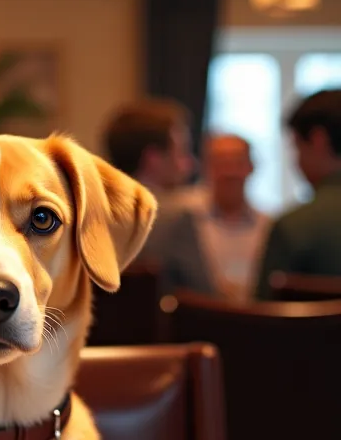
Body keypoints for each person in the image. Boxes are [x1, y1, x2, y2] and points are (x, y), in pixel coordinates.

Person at [162, 134, 271, 301]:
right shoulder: (183, 224)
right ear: (206, 168)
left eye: (237, 162)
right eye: (221, 163)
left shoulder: (269, 227)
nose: (229, 172)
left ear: (251, 167)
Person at [256, 89, 341, 298]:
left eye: (297, 147)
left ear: (318, 140)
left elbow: (259, 323)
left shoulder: (292, 228)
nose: (297, 163)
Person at [103, 98, 201, 263]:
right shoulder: (174, 217)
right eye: (182, 152)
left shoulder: (87, 210)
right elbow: (199, 287)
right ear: (153, 159)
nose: (191, 163)